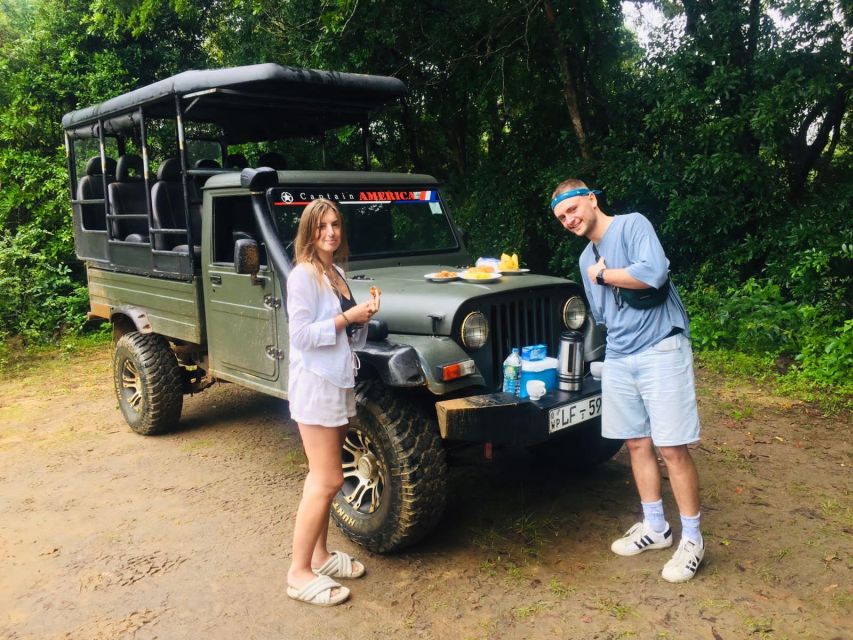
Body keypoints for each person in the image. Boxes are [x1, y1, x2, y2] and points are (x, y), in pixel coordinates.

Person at [551, 179, 704, 583]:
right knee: (636, 443)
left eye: (572, 210)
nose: (569, 220)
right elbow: (601, 317)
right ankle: (656, 527)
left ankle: (692, 540)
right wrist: (600, 279)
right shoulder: (586, 259)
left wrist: (606, 276)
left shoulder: (633, 225)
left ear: (590, 199)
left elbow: (653, 273)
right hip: (620, 355)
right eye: (561, 218)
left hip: (661, 347)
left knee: (671, 447)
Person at [285, 197, 380, 605]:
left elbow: (346, 334)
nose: (330, 232)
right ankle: (298, 573)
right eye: (322, 226)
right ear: (309, 231)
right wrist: (348, 318)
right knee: (326, 480)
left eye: (335, 224)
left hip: (339, 380)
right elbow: (302, 336)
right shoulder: (303, 275)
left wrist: (364, 318)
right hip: (315, 385)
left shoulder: (336, 272)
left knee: (323, 479)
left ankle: (320, 557)